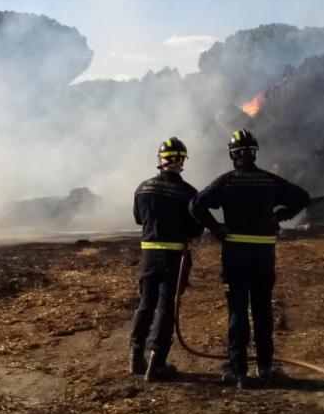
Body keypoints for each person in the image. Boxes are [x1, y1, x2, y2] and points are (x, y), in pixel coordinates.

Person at [190, 129, 310, 388]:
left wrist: (217, 229)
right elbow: (303, 197)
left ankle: (238, 371)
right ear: (254, 153)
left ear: (232, 155)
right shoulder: (269, 181)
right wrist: (280, 216)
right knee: (262, 308)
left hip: (235, 254)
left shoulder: (227, 182)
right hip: (263, 254)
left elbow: (195, 205)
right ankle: (265, 368)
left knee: (237, 310)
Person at [130, 137, 203, 381]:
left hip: (149, 256)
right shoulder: (189, 193)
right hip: (174, 258)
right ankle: (157, 363)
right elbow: (196, 230)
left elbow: (139, 219)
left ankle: (135, 356)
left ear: (160, 160)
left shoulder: (143, 188)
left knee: (145, 303)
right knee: (166, 307)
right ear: (182, 162)